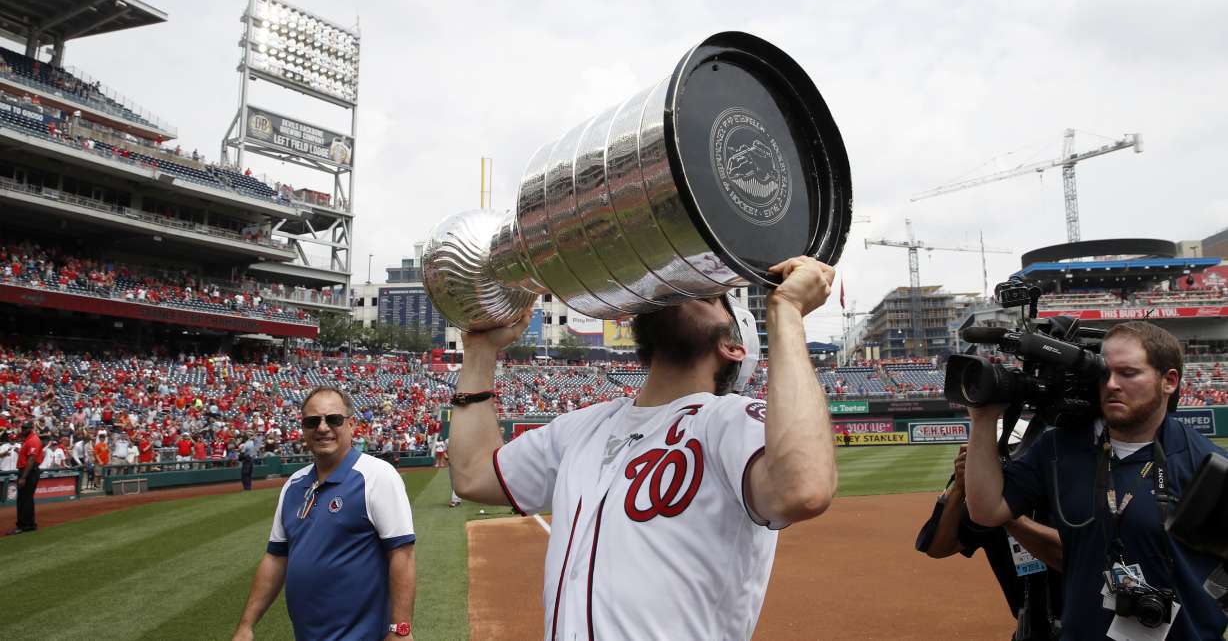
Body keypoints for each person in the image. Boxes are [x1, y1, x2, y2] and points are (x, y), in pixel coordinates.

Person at [449, 256, 839, 639]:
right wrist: (480, 352)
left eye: (710, 295)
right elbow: (474, 475)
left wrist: (787, 311)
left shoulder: (728, 421)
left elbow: (803, 489)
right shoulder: (583, 426)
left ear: (733, 347)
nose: (690, 289)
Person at [965, 321, 1228, 640]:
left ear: (1168, 381)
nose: (1112, 384)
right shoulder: (1058, 449)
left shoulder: (1204, 465)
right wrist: (983, 418)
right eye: (1105, 373)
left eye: (1128, 373)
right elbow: (987, 510)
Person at [233, 387, 417, 641]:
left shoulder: (377, 476)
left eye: (333, 419)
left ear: (351, 424)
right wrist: (246, 625)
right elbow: (276, 558)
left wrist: (401, 630)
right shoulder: (294, 484)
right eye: (312, 421)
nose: (322, 428)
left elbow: (402, 554)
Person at [917, 440, 1063, 640]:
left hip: (1085, 624)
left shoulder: (1063, 493)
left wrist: (1003, 516)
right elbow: (938, 548)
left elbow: (1073, 554)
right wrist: (960, 487)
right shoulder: (987, 507)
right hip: (1030, 629)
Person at [9, 420, 44, 534]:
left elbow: (31, 460)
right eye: (22, 427)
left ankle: (23, 526)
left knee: (23, 500)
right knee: (26, 499)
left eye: (25, 428)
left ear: (31, 428)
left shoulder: (33, 440)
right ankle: (29, 524)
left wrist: (23, 477)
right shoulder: (29, 439)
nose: (23, 429)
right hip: (29, 471)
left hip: (28, 472)